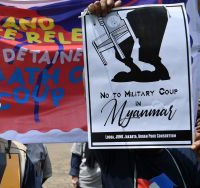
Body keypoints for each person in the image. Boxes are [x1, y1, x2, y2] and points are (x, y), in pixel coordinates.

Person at [85, 0, 200, 187]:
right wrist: (102, 20)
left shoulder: (185, 154)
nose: (144, 104)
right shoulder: (114, 153)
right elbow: (93, 85)